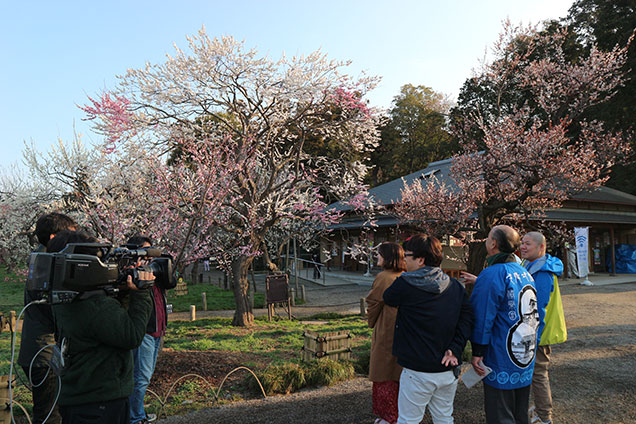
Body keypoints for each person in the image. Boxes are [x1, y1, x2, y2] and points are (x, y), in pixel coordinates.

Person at [49, 230, 153, 424]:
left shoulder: (66, 296)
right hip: (99, 401)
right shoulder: (95, 306)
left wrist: (120, 292)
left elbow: (107, 325)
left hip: (79, 396)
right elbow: (132, 335)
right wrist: (141, 293)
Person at [383, 235, 473, 424]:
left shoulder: (405, 284)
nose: (404, 260)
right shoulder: (455, 287)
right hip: (448, 367)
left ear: (420, 259)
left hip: (416, 370)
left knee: (408, 420)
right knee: (444, 418)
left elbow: (388, 297)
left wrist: (403, 276)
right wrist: (455, 348)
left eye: (407, 255)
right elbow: (467, 319)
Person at [468, 225, 540, 424]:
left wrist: (477, 351)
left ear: (493, 243)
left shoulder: (492, 274)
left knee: (501, 413)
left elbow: (482, 317)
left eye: (488, 237)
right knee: (520, 411)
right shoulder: (525, 273)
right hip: (524, 353)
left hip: (499, 353)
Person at [18, 212, 76, 424]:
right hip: (45, 353)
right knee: (50, 416)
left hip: (39, 350)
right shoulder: (47, 266)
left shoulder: (41, 260)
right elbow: (56, 311)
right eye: (69, 236)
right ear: (54, 238)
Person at [128, 235, 177, 424]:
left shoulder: (156, 273)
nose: (149, 258)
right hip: (145, 332)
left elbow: (172, 279)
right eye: (145, 252)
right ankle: (135, 417)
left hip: (158, 330)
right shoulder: (132, 274)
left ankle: (136, 413)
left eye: (151, 252)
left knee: (145, 376)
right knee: (141, 376)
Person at [520, 232, 567, 424]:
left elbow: (539, 308)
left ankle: (544, 416)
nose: (522, 246)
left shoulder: (543, 271)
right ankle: (540, 408)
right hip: (536, 331)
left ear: (540, 247)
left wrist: (534, 337)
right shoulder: (532, 265)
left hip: (541, 333)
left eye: (527, 244)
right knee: (536, 374)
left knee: (538, 374)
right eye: (522, 243)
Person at [366, 242, 407, 424]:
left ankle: (388, 416)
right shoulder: (405, 276)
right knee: (398, 376)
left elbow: (373, 302)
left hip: (386, 328)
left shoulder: (383, 277)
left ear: (388, 257)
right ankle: (396, 414)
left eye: (380, 254)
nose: (377, 257)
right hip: (403, 329)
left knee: (384, 374)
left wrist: (371, 321)